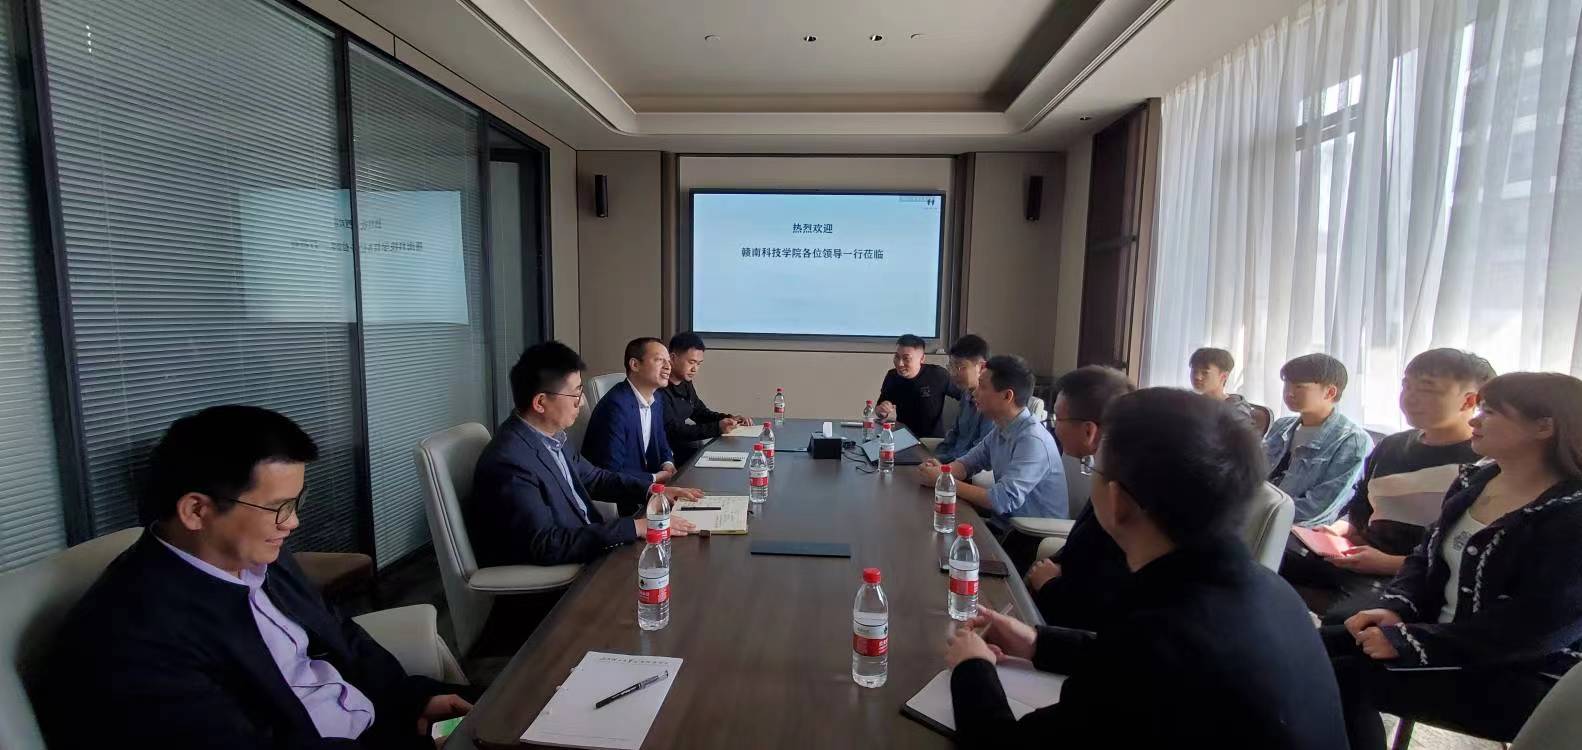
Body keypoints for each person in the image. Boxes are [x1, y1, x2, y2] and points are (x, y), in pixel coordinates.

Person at [42, 405, 474, 749]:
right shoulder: (131, 637)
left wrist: (412, 700)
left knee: (503, 707)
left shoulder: (258, 555)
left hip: (381, 722)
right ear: (196, 510)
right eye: (278, 507)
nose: (293, 522)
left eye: (297, 501)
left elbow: (340, 634)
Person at [944, 388, 1347, 748]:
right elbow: (1122, 658)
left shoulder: (1161, 641)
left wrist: (971, 667)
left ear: (1118, 501)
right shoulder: (1274, 594)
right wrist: (1037, 642)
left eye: (1096, 469)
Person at [1324, 372, 1582, 748]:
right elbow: (1424, 556)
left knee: (1342, 677)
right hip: (1444, 638)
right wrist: (1397, 608)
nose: (1474, 420)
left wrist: (1414, 642)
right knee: (1313, 646)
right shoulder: (1475, 480)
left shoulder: (1571, 515)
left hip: (1526, 670)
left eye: (1490, 412)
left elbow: (1536, 628)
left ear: (1544, 427)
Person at [1284, 348, 1493, 620]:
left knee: (1348, 622)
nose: (1409, 397)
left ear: (1469, 401)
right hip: (1357, 556)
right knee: (1258, 548)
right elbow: (1361, 509)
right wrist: (1338, 530)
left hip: (1410, 574)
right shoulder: (1391, 446)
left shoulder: (1483, 463)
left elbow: (1465, 553)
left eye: (1426, 389)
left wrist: (1389, 563)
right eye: (1406, 385)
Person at [469, 341, 700, 567]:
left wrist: (654, 491)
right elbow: (547, 544)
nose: (580, 404)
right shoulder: (510, 461)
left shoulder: (551, 436)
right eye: (575, 394)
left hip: (591, 543)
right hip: (566, 575)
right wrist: (636, 527)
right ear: (540, 402)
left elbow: (595, 478)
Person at [1026, 366, 1135, 630]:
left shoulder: (1123, 491)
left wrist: (1050, 585)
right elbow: (1083, 543)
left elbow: (1104, 598)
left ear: (1089, 431)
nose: (1053, 427)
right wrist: (1050, 565)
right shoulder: (1109, 469)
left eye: (1058, 419)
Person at [919, 355, 1067, 528]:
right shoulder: (1001, 428)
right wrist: (942, 472)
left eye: (982, 386)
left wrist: (944, 482)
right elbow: (967, 464)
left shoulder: (1033, 440)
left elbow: (1002, 499)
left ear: (1007, 396)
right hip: (1003, 525)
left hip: (1031, 535)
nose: (975, 392)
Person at [1264, 353, 1373, 526]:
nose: (1289, 393)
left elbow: (1318, 509)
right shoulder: (1282, 426)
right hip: (1257, 517)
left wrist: (1258, 512)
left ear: (1330, 392)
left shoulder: (1352, 441)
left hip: (1298, 529)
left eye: (1299, 387)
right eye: (1287, 385)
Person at [582, 337, 681, 509]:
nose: (668, 366)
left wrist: (668, 464)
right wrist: (655, 478)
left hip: (649, 488)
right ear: (635, 364)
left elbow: (661, 439)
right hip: (623, 497)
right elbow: (609, 471)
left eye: (668, 361)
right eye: (659, 360)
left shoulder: (656, 398)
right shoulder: (615, 407)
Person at [657, 331, 749, 465]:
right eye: (691, 362)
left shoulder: (685, 382)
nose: (695, 369)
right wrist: (717, 427)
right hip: (667, 456)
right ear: (673, 358)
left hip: (683, 448)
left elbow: (699, 412)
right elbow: (674, 431)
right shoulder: (659, 388)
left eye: (699, 364)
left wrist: (729, 419)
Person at [875, 333, 956, 438]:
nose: (899, 363)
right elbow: (880, 410)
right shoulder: (892, 376)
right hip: (902, 437)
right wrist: (882, 411)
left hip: (931, 441)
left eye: (906, 358)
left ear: (922, 359)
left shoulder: (938, 375)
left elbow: (964, 395)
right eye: (897, 357)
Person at [934, 334, 995, 463]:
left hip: (966, 469)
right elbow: (953, 435)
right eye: (951, 366)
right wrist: (935, 458)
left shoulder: (992, 404)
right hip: (950, 463)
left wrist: (945, 465)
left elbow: (981, 454)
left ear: (982, 367)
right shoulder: (966, 395)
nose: (953, 373)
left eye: (960, 367)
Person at [1188, 346, 1257, 428]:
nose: (1197, 377)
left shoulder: (1237, 411)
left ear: (1224, 376)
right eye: (1194, 371)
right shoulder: (1191, 402)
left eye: (1205, 372)